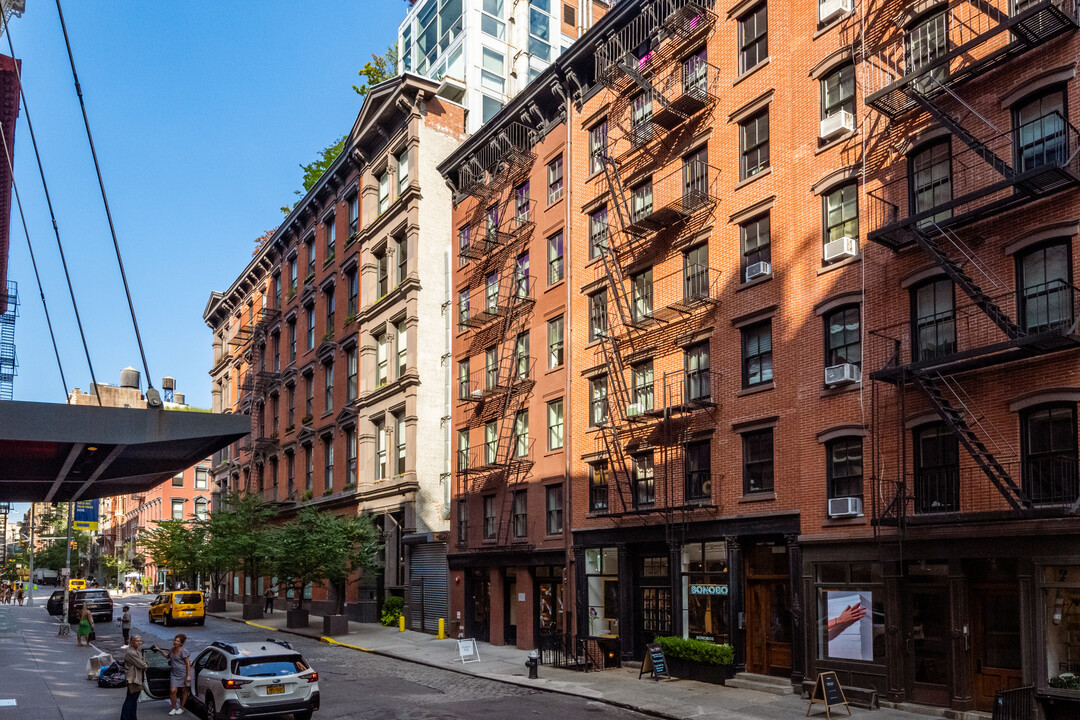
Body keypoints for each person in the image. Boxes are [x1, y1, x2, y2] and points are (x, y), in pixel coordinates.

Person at [152, 634, 190, 716]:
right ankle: (173, 708)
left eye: (177, 641)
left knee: (184, 691)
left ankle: (181, 707)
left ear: (181, 643)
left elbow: (188, 664)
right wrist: (159, 650)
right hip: (174, 673)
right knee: (173, 691)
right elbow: (167, 656)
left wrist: (188, 675)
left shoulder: (183, 651)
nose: (175, 642)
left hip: (183, 673)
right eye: (175, 640)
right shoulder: (172, 650)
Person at [121, 635, 147, 720]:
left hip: (135, 678)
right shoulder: (131, 653)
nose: (139, 642)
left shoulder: (136, 651)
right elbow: (142, 665)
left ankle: (132, 717)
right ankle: (125, 718)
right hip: (133, 679)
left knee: (133, 700)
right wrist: (146, 665)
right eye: (137, 641)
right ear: (132, 642)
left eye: (140, 641)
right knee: (130, 700)